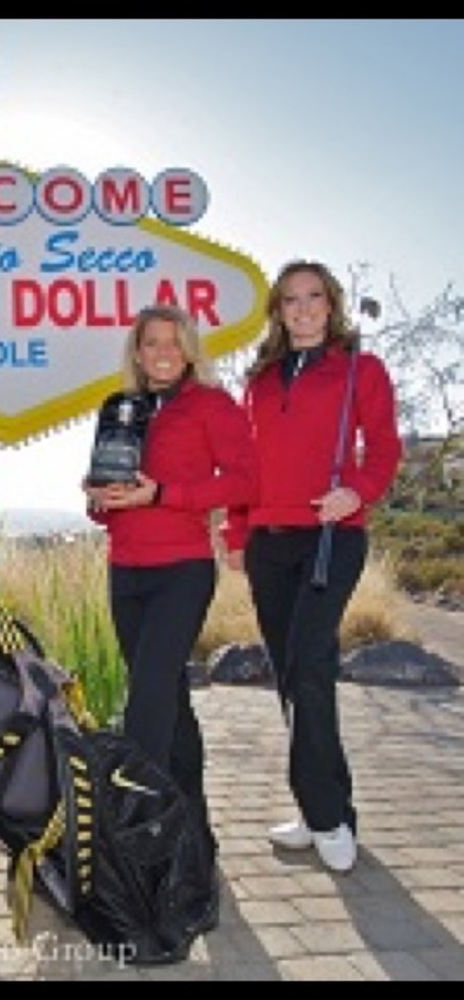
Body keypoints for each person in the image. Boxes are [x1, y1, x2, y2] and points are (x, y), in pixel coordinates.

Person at [82, 303, 259, 926]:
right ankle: (197, 847)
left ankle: (139, 858)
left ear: (187, 349)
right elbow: (105, 498)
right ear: (137, 350)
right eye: (149, 342)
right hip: (124, 571)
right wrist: (101, 498)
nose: (160, 352)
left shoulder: (212, 405)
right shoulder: (118, 408)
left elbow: (245, 481)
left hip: (181, 570)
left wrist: (167, 494)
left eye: (171, 342)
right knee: (173, 711)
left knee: (147, 707)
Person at [224, 259, 402, 874]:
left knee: (309, 668)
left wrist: (358, 490)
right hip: (269, 543)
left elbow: (384, 445)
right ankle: (325, 809)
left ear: (331, 306)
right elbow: (246, 462)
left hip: (331, 538)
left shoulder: (360, 369)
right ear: (277, 309)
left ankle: (325, 817)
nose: (303, 309)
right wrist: (237, 528)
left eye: (314, 297)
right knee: (291, 676)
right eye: (291, 299)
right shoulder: (261, 379)